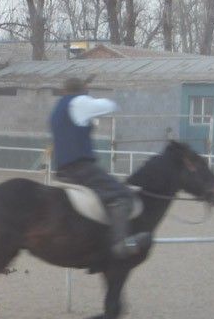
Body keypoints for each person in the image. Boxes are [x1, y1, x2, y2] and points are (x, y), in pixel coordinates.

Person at [49, 77, 151, 259]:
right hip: (80, 168)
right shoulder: (79, 102)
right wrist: (88, 94)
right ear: (82, 90)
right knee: (121, 195)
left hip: (62, 168)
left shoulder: (58, 108)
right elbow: (110, 105)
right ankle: (121, 243)